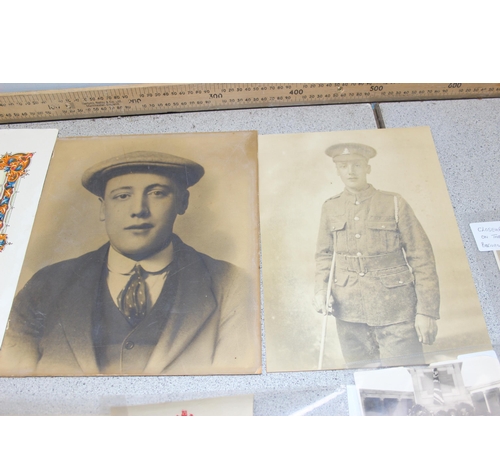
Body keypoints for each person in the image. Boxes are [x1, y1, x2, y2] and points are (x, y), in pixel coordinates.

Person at [0, 151, 260, 376]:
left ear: (183, 202)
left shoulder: (230, 284)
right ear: (103, 208)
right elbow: (13, 387)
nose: (139, 209)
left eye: (157, 193)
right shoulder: (46, 285)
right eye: (122, 196)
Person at [314, 143, 440, 368]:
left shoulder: (393, 203)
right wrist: (321, 291)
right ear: (337, 171)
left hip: (395, 310)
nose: (350, 171)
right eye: (344, 166)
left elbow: (422, 258)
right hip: (349, 312)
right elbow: (324, 256)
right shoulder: (330, 207)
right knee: (364, 383)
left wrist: (427, 312)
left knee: (408, 379)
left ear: (367, 168)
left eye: (357, 165)